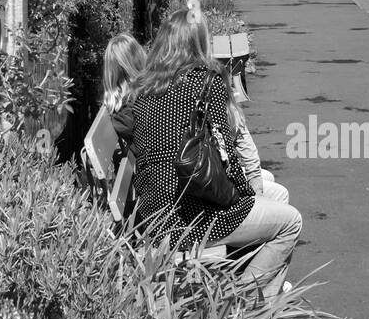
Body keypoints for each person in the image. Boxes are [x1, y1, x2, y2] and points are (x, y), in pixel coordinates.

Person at [127, 9, 301, 300]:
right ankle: (247, 304)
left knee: (274, 203)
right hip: (196, 217)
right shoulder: (205, 84)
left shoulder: (143, 89)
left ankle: (247, 296)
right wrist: (246, 196)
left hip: (155, 213)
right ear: (198, 43)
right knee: (290, 222)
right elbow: (225, 157)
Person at [105, 30, 287, 202]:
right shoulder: (149, 97)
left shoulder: (122, 110)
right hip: (189, 179)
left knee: (265, 177)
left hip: (174, 176)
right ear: (139, 59)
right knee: (278, 195)